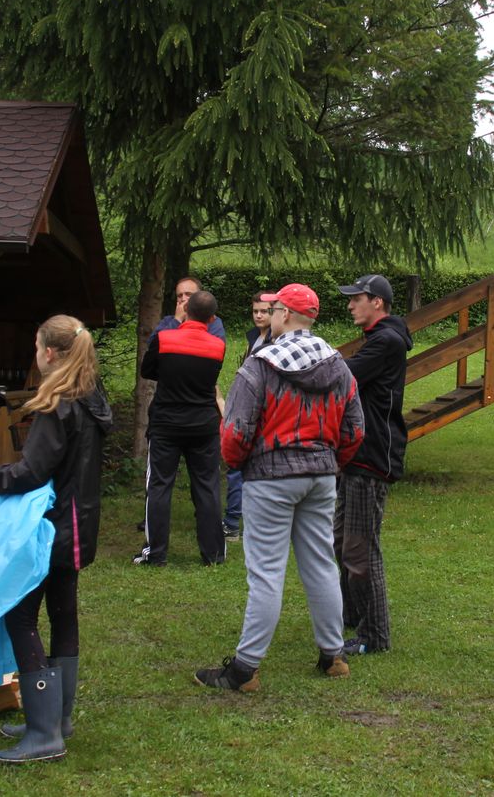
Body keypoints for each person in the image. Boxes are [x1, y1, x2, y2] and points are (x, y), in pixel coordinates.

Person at [195, 283, 364, 692]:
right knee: (321, 564)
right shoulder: (339, 366)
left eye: (272, 311)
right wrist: (330, 462)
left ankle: (244, 670)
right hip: (321, 477)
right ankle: (333, 656)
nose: (269, 317)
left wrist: (239, 463)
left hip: (270, 478)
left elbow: (235, 431)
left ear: (285, 314)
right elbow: (355, 429)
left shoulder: (260, 366)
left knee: (267, 573)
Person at [0, 314, 111, 765]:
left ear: (49, 353)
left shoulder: (59, 403)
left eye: (37, 347)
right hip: (79, 525)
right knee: (62, 612)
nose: (36, 354)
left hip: (52, 528)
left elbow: (33, 470)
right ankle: (57, 719)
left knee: (20, 616)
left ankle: (43, 732)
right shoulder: (91, 396)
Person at [335, 273, 412, 655]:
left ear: (377, 302)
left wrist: (307, 355)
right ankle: (352, 614)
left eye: (357, 298)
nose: (351, 305)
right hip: (356, 454)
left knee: (361, 549)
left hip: (372, 456)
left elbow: (342, 375)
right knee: (341, 540)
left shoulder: (386, 341)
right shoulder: (378, 339)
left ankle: (375, 635)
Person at [136, 290, 226, 566]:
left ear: (185, 311)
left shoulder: (164, 339)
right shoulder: (218, 346)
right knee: (207, 486)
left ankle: (156, 553)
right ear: (212, 319)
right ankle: (213, 553)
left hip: (166, 423)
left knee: (159, 485)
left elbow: (147, 370)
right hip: (203, 424)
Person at [222, 292, 275, 540]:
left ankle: (236, 522)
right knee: (237, 464)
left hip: (263, 411)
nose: (259, 315)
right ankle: (235, 521)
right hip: (248, 407)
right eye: (255, 311)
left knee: (243, 466)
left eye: (264, 311)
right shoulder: (254, 336)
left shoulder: (275, 340)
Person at [151, 277, 227, 342]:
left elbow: (217, 348)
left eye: (188, 294)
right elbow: (152, 345)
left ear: (199, 296)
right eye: (179, 295)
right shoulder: (168, 321)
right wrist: (176, 321)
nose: (183, 299)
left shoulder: (212, 322)